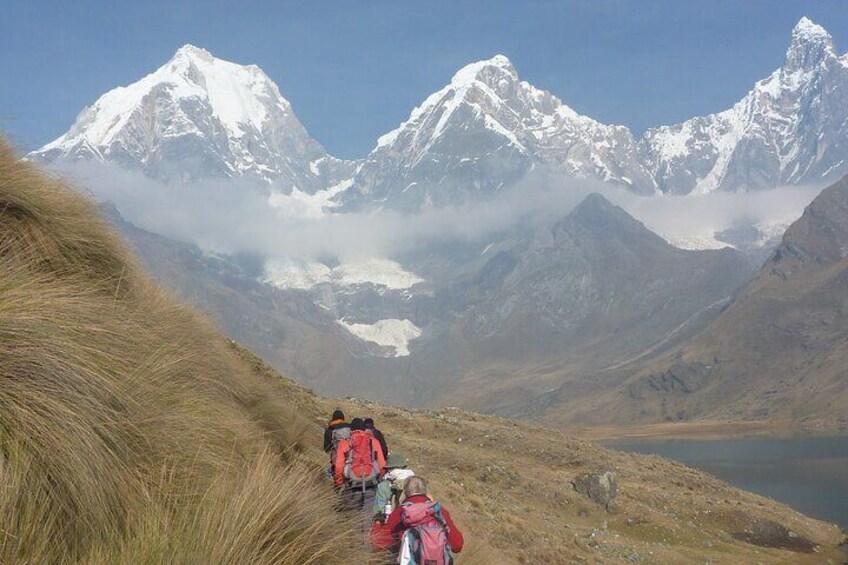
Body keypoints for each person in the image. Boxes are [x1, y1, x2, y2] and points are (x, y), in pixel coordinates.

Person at [371, 476, 464, 564]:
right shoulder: (438, 511)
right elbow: (457, 545)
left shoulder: (400, 512)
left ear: (406, 493)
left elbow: (379, 543)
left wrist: (377, 523)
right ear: (426, 492)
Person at [334, 418, 386, 523]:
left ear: (351, 430)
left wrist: (340, 483)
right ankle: (367, 533)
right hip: (371, 483)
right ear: (364, 429)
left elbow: (339, 467)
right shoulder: (373, 442)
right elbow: (382, 465)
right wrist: (379, 478)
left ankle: (354, 533)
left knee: (353, 518)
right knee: (368, 517)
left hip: (351, 484)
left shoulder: (345, 443)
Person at [372, 453, 415, 519]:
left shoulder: (383, 486)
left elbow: (379, 510)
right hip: (413, 518)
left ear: (389, 469)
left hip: (392, 519)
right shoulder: (416, 481)